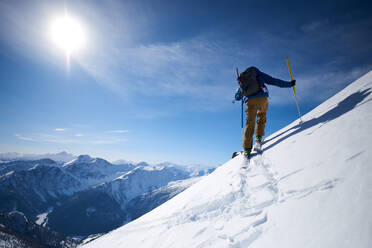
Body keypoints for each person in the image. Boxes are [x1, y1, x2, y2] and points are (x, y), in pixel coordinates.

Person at [234, 66, 295, 157]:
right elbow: (274, 81)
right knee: (261, 116)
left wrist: (240, 87)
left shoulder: (243, 80)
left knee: (250, 122)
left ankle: (247, 150)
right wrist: (289, 84)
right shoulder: (257, 73)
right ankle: (258, 139)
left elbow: (237, 97)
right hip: (262, 98)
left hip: (250, 101)